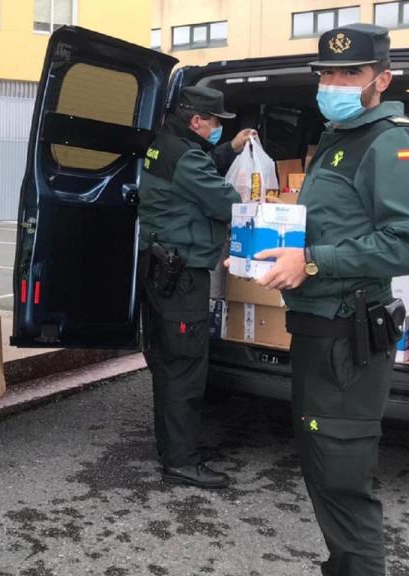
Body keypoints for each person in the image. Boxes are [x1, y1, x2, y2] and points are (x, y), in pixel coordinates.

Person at [255, 23, 409, 575]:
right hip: (319, 333)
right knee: (323, 466)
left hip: (346, 340)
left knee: (341, 475)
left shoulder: (391, 141)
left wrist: (311, 262)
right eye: (326, 73)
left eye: (349, 72)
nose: (333, 81)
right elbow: (340, 227)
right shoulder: (341, 137)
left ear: (382, 78)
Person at [138, 86, 241, 489]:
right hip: (180, 277)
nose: (217, 129)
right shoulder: (185, 156)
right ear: (197, 121)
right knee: (184, 367)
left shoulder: (164, 145)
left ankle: (174, 448)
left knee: (167, 362)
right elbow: (226, 202)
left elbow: (198, 166)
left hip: (162, 268)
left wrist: (230, 148)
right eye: (216, 122)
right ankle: (181, 461)